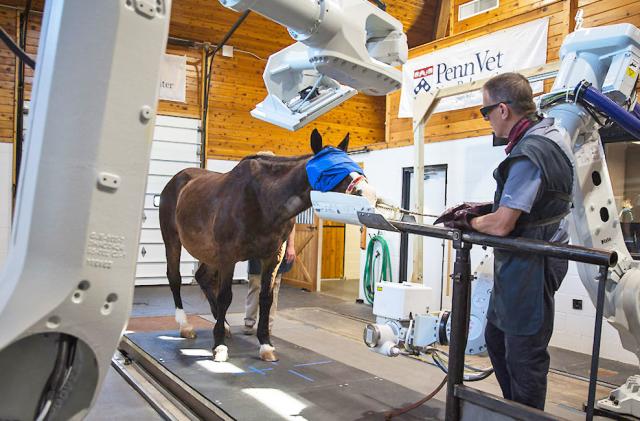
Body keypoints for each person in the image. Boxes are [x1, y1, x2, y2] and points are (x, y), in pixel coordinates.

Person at [443, 72, 574, 410]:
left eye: (485, 112)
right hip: (523, 260)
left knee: (523, 353)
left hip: (531, 263)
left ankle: (524, 415)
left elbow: (502, 225)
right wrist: (481, 210)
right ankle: (511, 411)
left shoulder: (532, 150)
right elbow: (532, 204)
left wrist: (468, 221)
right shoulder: (548, 134)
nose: (486, 120)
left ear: (503, 109)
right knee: (497, 341)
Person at [243, 228, 296, 335]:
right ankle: (249, 321)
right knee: (255, 282)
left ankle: (267, 325)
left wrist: (291, 245)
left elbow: (292, 223)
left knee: (274, 285)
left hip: (278, 244)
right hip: (257, 243)